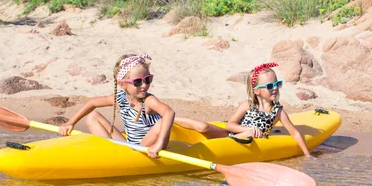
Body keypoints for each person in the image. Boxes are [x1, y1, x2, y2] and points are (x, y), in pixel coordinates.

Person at [174, 62, 313, 158]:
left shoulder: (278, 111)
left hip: (248, 142)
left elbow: (294, 133)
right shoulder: (247, 104)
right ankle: (170, 118)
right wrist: (246, 130)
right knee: (202, 126)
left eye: (277, 84)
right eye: (270, 86)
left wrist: (307, 155)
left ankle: (195, 150)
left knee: (250, 135)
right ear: (257, 91)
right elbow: (230, 125)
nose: (275, 88)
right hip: (231, 136)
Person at [58, 54, 175, 158]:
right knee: (93, 116)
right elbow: (93, 103)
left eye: (148, 79)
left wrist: (159, 144)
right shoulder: (119, 99)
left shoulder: (149, 101)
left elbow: (169, 113)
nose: (144, 85)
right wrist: (71, 123)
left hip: (148, 147)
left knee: (161, 122)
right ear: (122, 84)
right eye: (138, 82)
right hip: (131, 146)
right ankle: (110, 152)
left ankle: (121, 156)